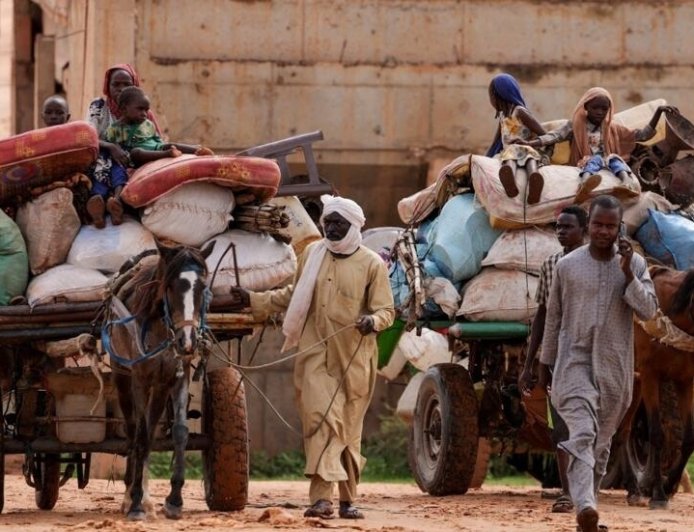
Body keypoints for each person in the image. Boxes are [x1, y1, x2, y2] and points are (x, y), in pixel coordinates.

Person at [229, 195, 395, 520]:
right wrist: (255, 300)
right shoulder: (312, 254)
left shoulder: (372, 264)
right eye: (328, 223)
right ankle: (321, 499)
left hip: (355, 359)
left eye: (338, 224)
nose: (331, 229)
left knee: (348, 430)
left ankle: (348, 500)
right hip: (315, 353)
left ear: (354, 226)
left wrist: (372, 321)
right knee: (321, 421)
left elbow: (386, 310)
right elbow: (293, 295)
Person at [538, 195, 657, 532]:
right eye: (598, 224)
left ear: (620, 229)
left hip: (615, 368)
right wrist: (545, 363)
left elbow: (649, 311)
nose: (604, 231)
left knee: (601, 444)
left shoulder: (634, 265)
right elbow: (553, 318)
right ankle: (586, 505)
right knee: (583, 432)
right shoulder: (567, 266)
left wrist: (627, 275)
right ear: (588, 226)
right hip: (571, 363)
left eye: (611, 226)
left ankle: (585, 515)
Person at [518, 205, 588, 514]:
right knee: (560, 426)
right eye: (558, 227)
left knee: (589, 427)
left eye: (568, 227)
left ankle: (587, 490)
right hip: (559, 355)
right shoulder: (550, 265)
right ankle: (567, 493)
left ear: (583, 231)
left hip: (593, 355)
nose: (561, 232)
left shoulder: (601, 264)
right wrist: (530, 363)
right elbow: (543, 316)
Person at [524, 87, 677, 204]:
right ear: (586, 107)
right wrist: (531, 143)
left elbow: (643, 135)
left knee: (616, 159)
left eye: (604, 109)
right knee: (595, 160)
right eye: (595, 108)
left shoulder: (612, 128)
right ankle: (585, 184)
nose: (599, 112)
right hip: (585, 162)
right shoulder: (575, 126)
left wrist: (658, 113)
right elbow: (555, 136)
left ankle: (626, 183)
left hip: (607, 164)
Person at [85, 64, 156, 229]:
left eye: (127, 84)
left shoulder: (143, 111)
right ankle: (98, 205)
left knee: (124, 173)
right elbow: (89, 137)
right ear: (107, 87)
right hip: (101, 158)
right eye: (115, 84)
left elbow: (156, 141)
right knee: (101, 168)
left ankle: (115, 202)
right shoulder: (98, 107)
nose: (121, 89)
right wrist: (111, 147)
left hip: (132, 160)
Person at [104, 86, 212, 167]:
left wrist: (163, 145)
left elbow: (157, 140)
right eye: (140, 109)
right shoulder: (115, 128)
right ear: (124, 109)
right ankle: (167, 154)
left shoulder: (148, 124)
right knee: (136, 152)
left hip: (157, 147)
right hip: (138, 156)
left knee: (169, 144)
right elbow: (112, 146)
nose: (144, 114)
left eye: (146, 110)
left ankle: (197, 150)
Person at [486, 73, 550, 204]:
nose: (491, 101)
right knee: (509, 156)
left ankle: (534, 180)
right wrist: (485, 159)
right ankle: (510, 181)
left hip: (526, 147)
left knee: (528, 159)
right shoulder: (503, 117)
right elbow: (495, 142)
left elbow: (544, 134)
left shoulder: (520, 112)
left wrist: (529, 143)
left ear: (499, 95)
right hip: (510, 151)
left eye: (491, 96)